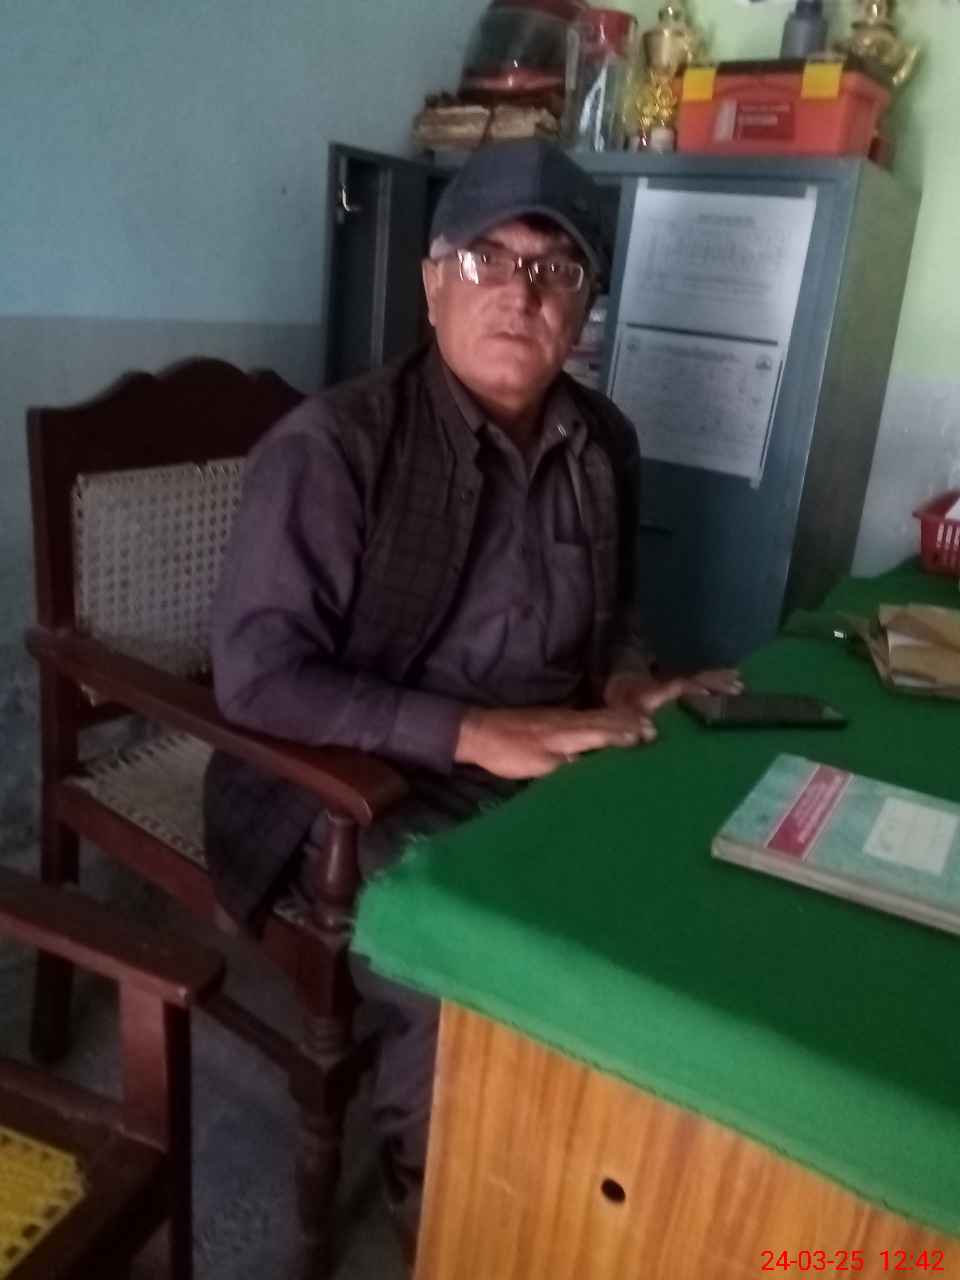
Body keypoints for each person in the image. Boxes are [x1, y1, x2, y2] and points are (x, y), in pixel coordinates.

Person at [203, 138, 740, 1248]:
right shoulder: (337, 447)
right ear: (431, 280)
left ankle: (623, 1186)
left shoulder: (602, 440)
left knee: (672, 890)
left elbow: (615, 612)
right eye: (487, 259)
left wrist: (629, 680)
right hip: (353, 785)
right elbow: (258, 676)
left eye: (555, 270)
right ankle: (450, 1227)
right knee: (475, 974)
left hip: (545, 755)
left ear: (585, 306)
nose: (520, 293)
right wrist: (472, 732)